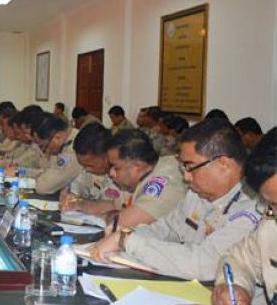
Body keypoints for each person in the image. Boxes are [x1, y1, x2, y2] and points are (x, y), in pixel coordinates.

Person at [90, 119, 261, 281]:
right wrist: (126, 236)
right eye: (183, 167)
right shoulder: (198, 194)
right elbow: (166, 228)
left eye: (190, 167)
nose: (186, 177)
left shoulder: (254, 207)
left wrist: (128, 242)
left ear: (223, 164)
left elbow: (205, 263)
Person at [212, 128, 276, 305]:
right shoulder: (271, 224)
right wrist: (234, 287)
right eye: (272, 204)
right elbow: (238, 259)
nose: (272, 213)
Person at [83, 129, 186, 230]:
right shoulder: (148, 172)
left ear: (138, 166)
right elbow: (116, 204)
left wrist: (110, 216)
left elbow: (122, 223)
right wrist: (79, 205)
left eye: (116, 167)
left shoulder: (163, 182)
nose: (111, 173)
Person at [60, 123, 123, 213]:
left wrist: (82, 204)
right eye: (83, 165)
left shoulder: (125, 177)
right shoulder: (89, 171)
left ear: (106, 156)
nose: (86, 169)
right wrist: (69, 197)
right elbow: (75, 191)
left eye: (90, 165)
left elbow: (118, 207)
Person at [27, 113, 83, 195]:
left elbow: (43, 187)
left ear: (57, 137)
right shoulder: (67, 141)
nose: (44, 151)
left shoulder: (73, 149)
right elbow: (47, 171)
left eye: (43, 146)